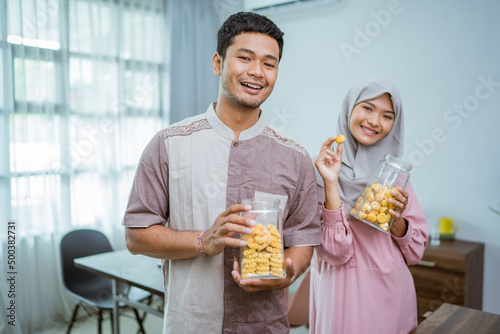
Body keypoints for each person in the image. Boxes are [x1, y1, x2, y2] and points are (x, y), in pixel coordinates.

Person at [122, 12, 320, 334]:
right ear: (218, 62)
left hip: (265, 326)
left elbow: (304, 239)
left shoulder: (295, 157)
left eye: (269, 64)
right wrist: (203, 240)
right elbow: (136, 235)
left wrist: (289, 272)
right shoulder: (168, 144)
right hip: (191, 324)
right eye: (245, 58)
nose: (257, 72)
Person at [310, 77, 428, 334]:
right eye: (367, 108)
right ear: (349, 108)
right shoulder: (320, 170)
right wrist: (331, 184)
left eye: (387, 115)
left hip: (390, 293)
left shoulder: (395, 176)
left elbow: (416, 252)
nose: (375, 121)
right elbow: (335, 252)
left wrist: (396, 220)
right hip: (338, 293)